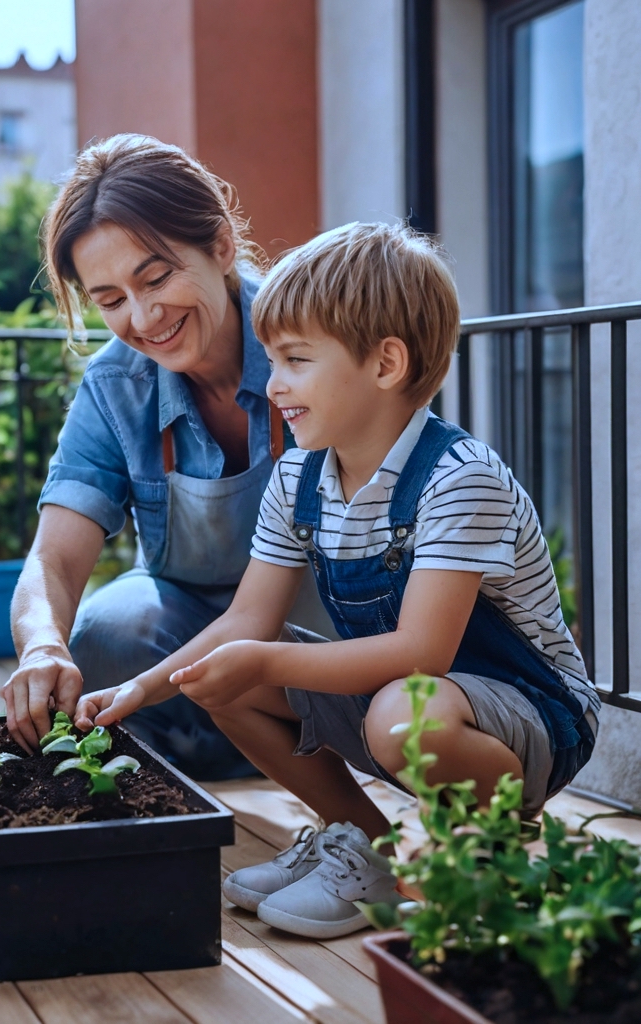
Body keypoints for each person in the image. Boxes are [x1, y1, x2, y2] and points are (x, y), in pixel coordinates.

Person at [75, 222, 599, 938]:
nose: (275, 383)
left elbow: (423, 654)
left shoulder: (459, 479)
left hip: (534, 716)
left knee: (400, 713)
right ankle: (368, 847)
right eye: (271, 359)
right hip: (410, 695)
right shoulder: (299, 478)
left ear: (385, 364)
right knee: (218, 671)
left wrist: (266, 658)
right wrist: (143, 689)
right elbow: (244, 623)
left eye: (295, 360)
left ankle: (484, 852)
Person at [4, 134, 318, 778]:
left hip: (327, 626)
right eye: (112, 300)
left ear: (222, 246)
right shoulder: (116, 387)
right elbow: (55, 558)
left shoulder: (317, 336)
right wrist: (41, 647)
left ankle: (324, 759)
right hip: (192, 633)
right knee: (105, 632)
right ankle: (208, 771)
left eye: (156, 277)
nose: (144, 318)